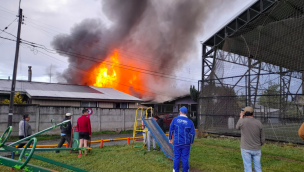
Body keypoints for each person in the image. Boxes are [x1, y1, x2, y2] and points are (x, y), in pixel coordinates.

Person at [236, 107, 265, 172]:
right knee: (258, 167)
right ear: (253, 114)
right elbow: (262, 136)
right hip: (257, 148)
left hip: (246, 148)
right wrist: (260, 144)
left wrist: (241, 117)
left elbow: (237, 127)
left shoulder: (242, 121)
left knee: (248, 167)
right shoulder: (258, 122)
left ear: (244, 113)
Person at [169, 106, 195, 172]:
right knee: (185, 158)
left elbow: (171, 130)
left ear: (180, 112)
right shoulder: (190, 122)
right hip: (186, 143)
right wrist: (191, 141)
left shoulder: (175, 120)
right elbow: (192, 134)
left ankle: (175, 170)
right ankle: (185, 170)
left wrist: (170, 138)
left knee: (177, 157)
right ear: (186, 113)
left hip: (177, 142)